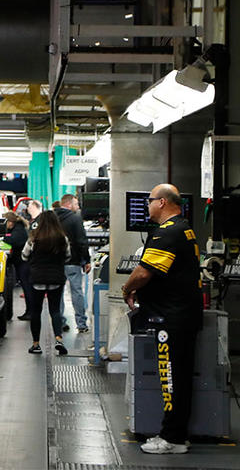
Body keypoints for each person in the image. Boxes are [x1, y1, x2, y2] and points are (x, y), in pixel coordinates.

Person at [121, 184, 202, 455]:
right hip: (183, 315)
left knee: (171, 378)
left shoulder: (167, 233)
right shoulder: (185, 229)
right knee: (179, 377)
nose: (147, 205)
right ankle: (176, 433)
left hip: (171, 319)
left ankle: (172, 438)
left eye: (151, 200)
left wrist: (126, 288)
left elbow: (144, 273)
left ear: (163, 203)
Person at [21, 210, 71, 355]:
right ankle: (59, 339)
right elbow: (68, 257)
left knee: (36, 311)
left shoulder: (33, 239)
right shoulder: (63, 239)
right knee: (55, 310)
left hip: (37, 278)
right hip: (56, 278)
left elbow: (24, 256)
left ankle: (36, 345)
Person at [55, 193, 92, 333]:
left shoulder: (52, 218)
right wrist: (86, 260)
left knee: (58, 293)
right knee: (77, 292)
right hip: (73, 261)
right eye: (76, 204)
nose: (78, 207)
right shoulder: (75, 218)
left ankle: (59, 322)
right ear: (69, 204)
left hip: (56, 263)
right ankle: (81, 324)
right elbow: (81, 241)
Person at [4, 211, 32, 321]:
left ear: (10, 222)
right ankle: (29, 311)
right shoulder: (18, 228)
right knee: (26, 287)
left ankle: (30, 312)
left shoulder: (19, 230)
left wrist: (2, 237)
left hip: (24, 263)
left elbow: (13, 241)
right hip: (22, 262)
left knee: (27, 287)